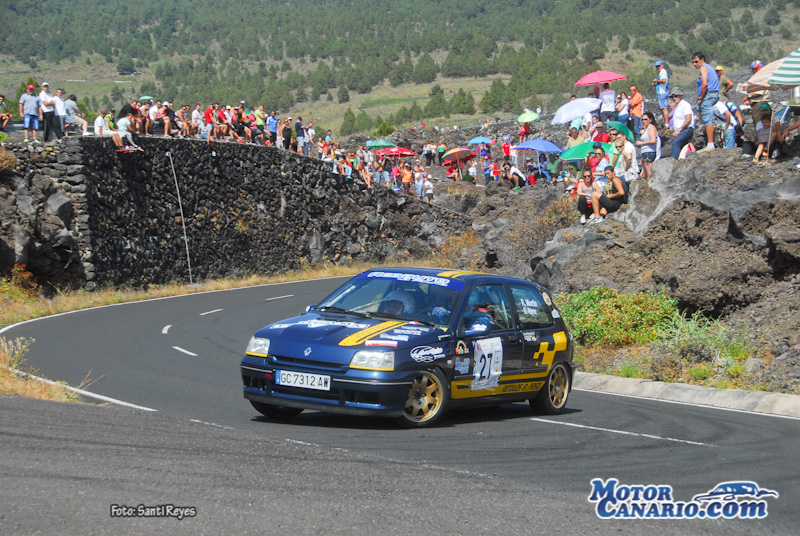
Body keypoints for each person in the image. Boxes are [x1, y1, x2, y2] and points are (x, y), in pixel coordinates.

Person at [693, 52, 720, 152]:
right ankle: (705, 135)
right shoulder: (710, 67)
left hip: (708, 95)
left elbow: (704, 83)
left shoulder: (703, 67)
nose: (695, 64)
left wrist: (700, 97)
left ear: (702, 59)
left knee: (708, 119)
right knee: (699, 109)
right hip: (712, 94)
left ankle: (710, 144)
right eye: (693, 62)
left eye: (696, 61)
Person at [669, 88, 695, 160]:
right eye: (672, 97)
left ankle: (675, 161)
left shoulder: (685, 105)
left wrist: (679, 130)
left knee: (676, 143)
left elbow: (688, 118)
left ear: (680, 95)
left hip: (686, 130)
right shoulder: (677, 106)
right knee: (682, 147)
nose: (674, 98)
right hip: (681, 131)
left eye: (676, 96)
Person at [745, 60, 770, 127]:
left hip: (760, 103)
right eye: (752, 69)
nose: (753, 70)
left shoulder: (762, 77)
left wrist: (748, 96)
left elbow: (759, 92)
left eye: (755, 68)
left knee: (759, 124)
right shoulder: (756, 78)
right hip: (756, 103)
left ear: (760, 68)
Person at [636, 112, 659, 178]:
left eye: (645, 119)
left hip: (649, 152)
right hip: (645, 153)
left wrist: (641, 143)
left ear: (650, 119)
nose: (644, 121)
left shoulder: (651, 128)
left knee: (649, 174)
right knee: (644, 175)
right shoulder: (647, 129)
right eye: (642, 119)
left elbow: (653, 140)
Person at [653, 61, 669, 128]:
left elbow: (664, 80)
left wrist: (656, 80)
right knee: (662, 108)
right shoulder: (661, 72)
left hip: (662, 92)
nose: (657, 68)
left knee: (664, 108)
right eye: (656, 66)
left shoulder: (663, 72)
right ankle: (665, 121)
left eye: (658, 66)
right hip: (661, 92)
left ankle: (666, 123)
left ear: (662, 65)